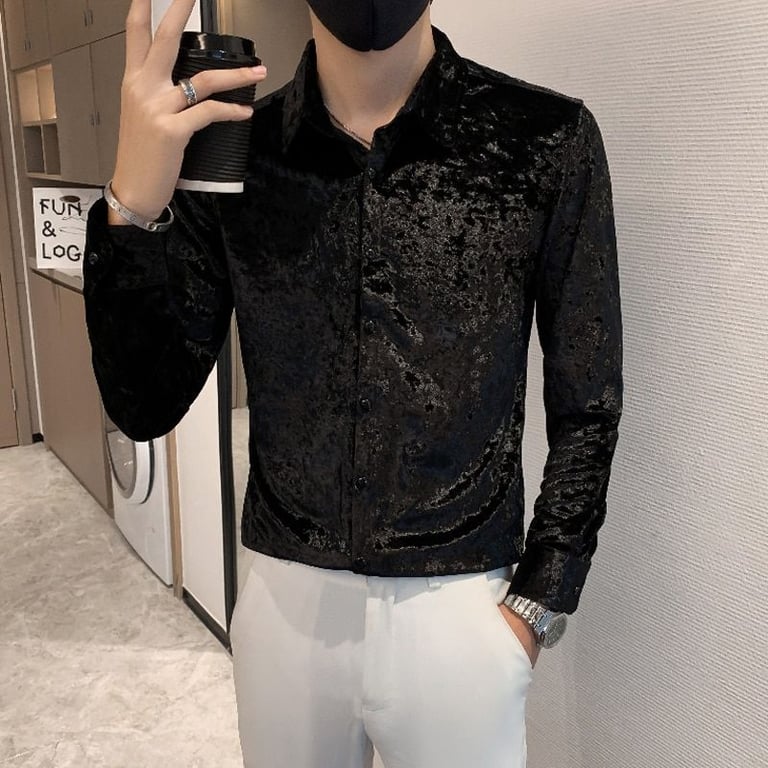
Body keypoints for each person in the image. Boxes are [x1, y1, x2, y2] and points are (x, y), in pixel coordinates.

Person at [82, 0, 624, 766]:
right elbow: (144, 402)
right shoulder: (239, 153)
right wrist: (132, 207)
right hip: (284, 605)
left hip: (461, 606)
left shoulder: (543, 139)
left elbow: (588, 402)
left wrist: (540, 599)